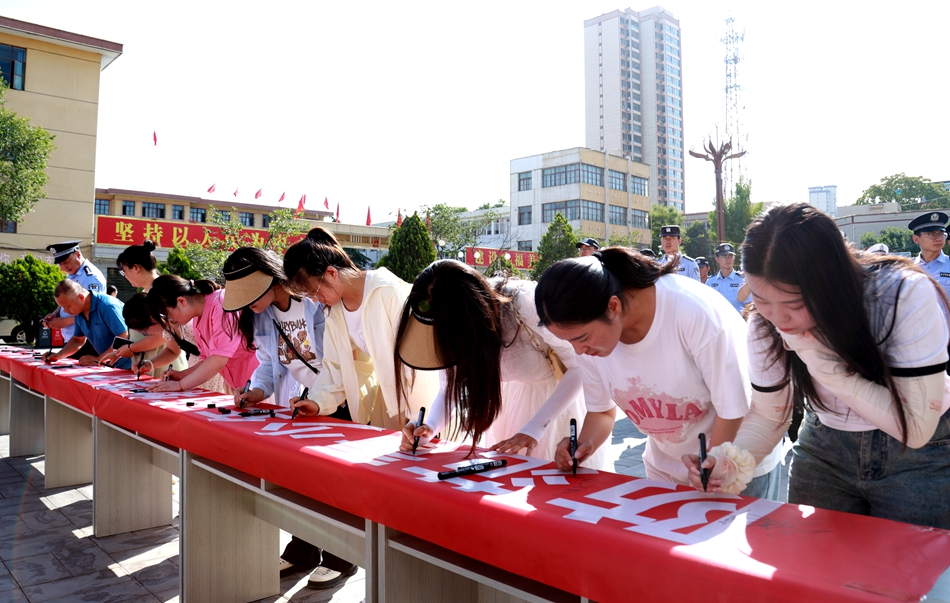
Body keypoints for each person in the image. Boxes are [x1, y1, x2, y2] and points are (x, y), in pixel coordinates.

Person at [682, 203, 950, 528]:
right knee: (813, 553)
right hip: (825, 445)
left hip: (921, 455)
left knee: (911, 559)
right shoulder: (764, 324)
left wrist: (822, 363)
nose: (777, 318)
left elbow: (917, 428)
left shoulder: (900, 295)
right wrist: (730, 462)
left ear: (831, 283)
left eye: (793, 303)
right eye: (761, 298)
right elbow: (769, 414)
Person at [534, 248, 784, 497]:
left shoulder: (691, 311)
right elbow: (601, 411)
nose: (579, 351)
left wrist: (713, 466)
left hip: (734, 462)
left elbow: (731, 410)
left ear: (613, 306)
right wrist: (583, 446)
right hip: (665, 469)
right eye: (569, 342)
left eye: (582, 338)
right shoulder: (590, 345)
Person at [221, 247, 358, 590]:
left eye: (250, 293)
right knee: (304, 478)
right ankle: (303, 550)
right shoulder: (263, 314)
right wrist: (256, 391)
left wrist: (323, 399)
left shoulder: (313, 300)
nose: (248, 303)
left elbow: (338, 361)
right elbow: (270, 364)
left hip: (339, 398)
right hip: (307, 402)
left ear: (270, 279)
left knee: (337, 480)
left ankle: (342, 557)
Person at [394, 260, 605, 467]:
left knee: (555, 480)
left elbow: (579, 366)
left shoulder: (525, 304)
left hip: (556, 406)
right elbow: (448, 388)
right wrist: (429, 427)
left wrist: (535, 428)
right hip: (508, 410)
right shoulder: (446, 322)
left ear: (470, 315)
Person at [282, 227, 438, 429]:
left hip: (426, 399)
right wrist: (317, 402)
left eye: (314, 291)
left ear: (331, 273)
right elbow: (335, 366)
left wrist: (423, 418)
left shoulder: (386, 291)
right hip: (391, 400)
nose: (315, 300)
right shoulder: (335, 311)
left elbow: (420, 363)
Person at [145, 275, 258, 393]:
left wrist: (181, 385)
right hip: (241, 387)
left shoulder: (220, 305)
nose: (170, 320)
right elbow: (208, 360)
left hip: (258, 385)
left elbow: (218, 359)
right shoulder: (198, 318)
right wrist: (182, 375)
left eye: (168, 315)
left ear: (181, 301)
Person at [99, 240, 187, 375]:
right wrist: (119, 352)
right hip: (149, 361)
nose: (125, 276)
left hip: (163, 362)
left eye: (124, 271)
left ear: (136, 268)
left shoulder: (163, 292)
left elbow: (165, 335)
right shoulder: (146, 293)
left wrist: (131, 348)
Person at [44, 280, 131, 370]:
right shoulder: (79, 312)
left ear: (81, 298)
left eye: (67, 306)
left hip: (130, 367)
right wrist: (59, 355)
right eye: (63, 308)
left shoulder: (107, 306)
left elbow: (124, 336)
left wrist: (99, 359)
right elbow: (78, 340)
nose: (65, 311)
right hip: (111, 367)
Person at [42, 240, 106, 350]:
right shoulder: (72, 275)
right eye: (61, 264)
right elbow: (67, 302)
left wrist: (64, 322)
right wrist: (55, 314)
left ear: (78, 254)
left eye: (66, 262)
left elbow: (93, 313)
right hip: (72, 340)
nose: (64, 267)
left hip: (87, 341)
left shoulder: (91, 277)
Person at [908, 211, 950, 298]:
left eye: (941, 234)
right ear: (916, 239)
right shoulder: (908, 268)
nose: (938, 239)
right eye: (931, 234)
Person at [706, 243, 751, 314]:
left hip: (737, 319)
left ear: (734, 258)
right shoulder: (710, 282)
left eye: (731, 256)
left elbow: (748, 306)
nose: (728, 259)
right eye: (724, 256)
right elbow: (706, 306)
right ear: (717, 259)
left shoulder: (742, 280)